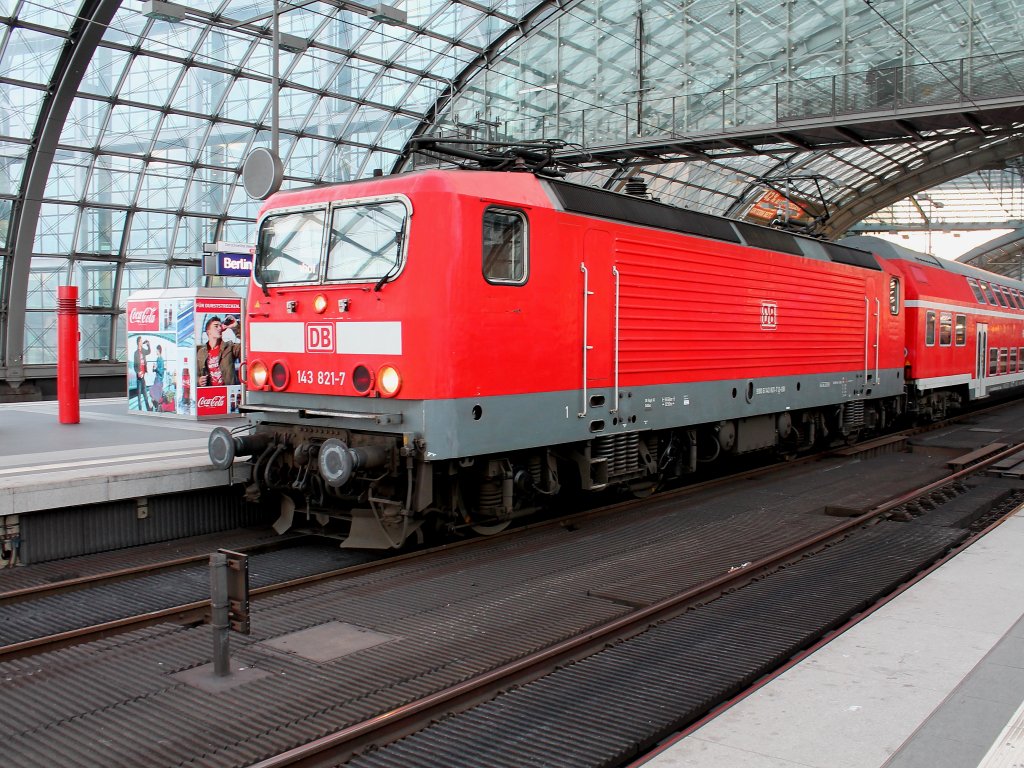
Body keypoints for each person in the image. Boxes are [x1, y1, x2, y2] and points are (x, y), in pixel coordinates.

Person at [197, 316, 242, 387]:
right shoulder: (201, 352)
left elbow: (247, 345)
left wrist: (235, 328)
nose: (219, 328)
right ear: (208, 332)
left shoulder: (229, 347)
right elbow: (195, 374)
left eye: (220, 326)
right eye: (216, 326)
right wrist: (198, 381)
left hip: (228, 392)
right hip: (210, 394)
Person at [132, 336, 152, 411]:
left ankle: (148, 409)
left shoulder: (143, 351)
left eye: (142, 341)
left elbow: (149, 352)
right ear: (138, 342)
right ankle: (140, 411)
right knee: (139, 396)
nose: (141, 342)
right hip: (139, 378)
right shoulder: (135, 353)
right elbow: (134, 366)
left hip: (143, 377)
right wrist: (138, 372)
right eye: (141, 341)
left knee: (145, 395)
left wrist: (148, 345)